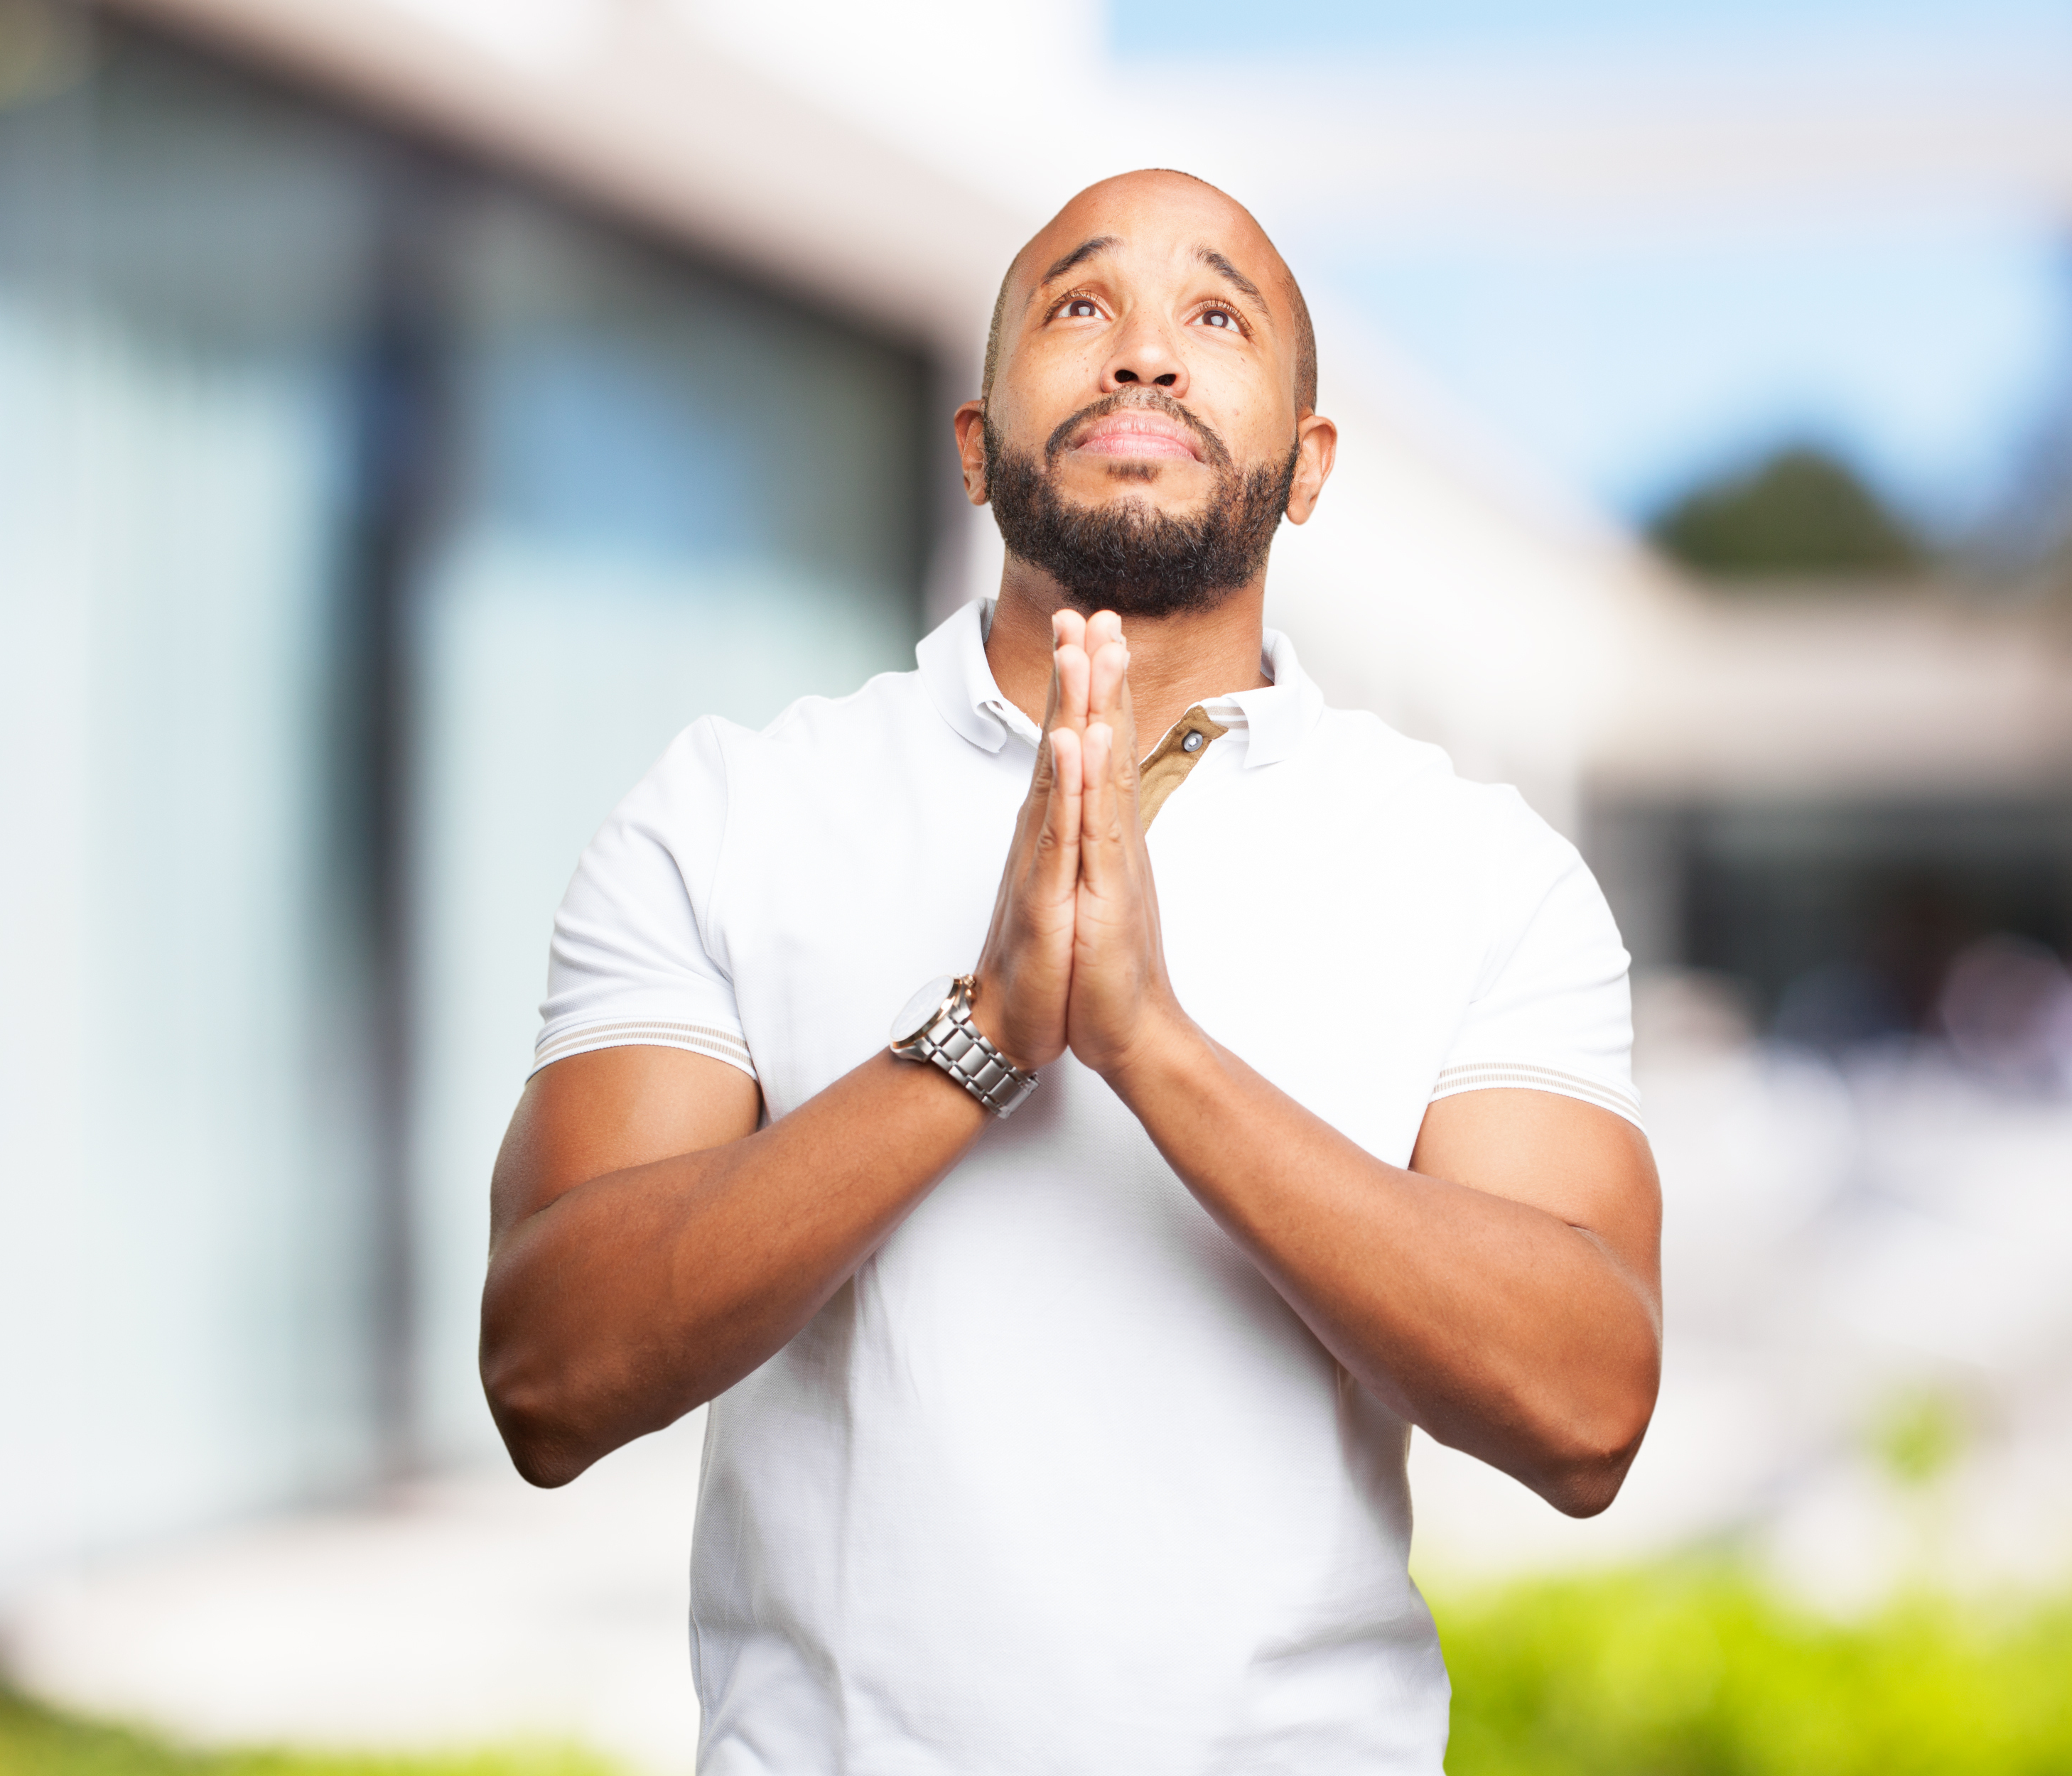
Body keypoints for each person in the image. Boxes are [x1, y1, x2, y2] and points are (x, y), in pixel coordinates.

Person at [480, 168, 1661, 1773]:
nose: (1147, 358)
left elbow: (1587, 1410)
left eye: (1218, 316)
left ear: (1308, 468)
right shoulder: (730, 813)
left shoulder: (1481, 868)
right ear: (973, 446)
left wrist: (1149, 1043)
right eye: (1082, 306)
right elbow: (550, 1374)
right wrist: (980, 1037)